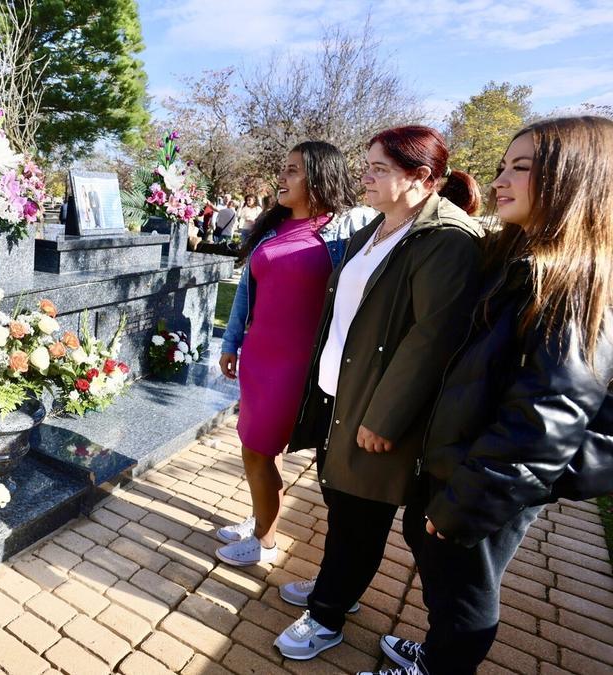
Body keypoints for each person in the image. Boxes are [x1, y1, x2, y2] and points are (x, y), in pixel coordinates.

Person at [366, 117, 613, 675]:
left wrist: (465, 505)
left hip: (488, 479)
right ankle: (436, 653)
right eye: (503, 166)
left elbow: (545, 421)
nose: (501, 180)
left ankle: (442, 666)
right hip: (463, 462)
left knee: (465, 596)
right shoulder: (518, 260)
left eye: (520, 169)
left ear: (574, 179)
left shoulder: (570, 287)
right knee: (439, 567)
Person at [273, 125, 484, 661]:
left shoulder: (445, 239)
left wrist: (386, 418)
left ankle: (326, 617)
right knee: (339, 502)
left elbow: (431, 338)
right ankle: (334, 590)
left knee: (359, 516)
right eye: (366, 164)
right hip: (340, 393)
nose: (364, 175)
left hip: (377, 408)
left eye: (379, 168)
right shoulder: (378, 224)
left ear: (422, 178)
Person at [216, 141, 375, 567]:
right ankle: (260, 518)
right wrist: (231, 343)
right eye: (283, 170)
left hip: (299, 364)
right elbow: (246, 295)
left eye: (292, 171)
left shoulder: (349, 228)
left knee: (258, 448)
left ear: (319, 177)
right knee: (258, 447)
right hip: (258, 358)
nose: (281, 179)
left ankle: (264, 542)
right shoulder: (270, 228)